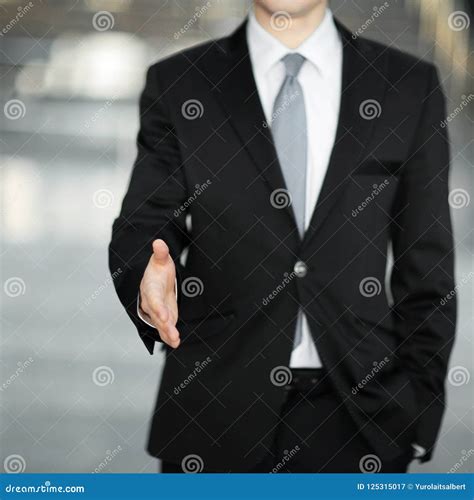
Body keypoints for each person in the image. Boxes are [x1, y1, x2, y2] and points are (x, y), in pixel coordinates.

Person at [109, 0, 456, 473]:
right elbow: (146, 221)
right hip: (216, 411)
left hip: (362, 415)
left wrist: (420, 403)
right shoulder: (181, 82)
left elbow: (428, 262)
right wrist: (144, 274)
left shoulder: (407, 86)